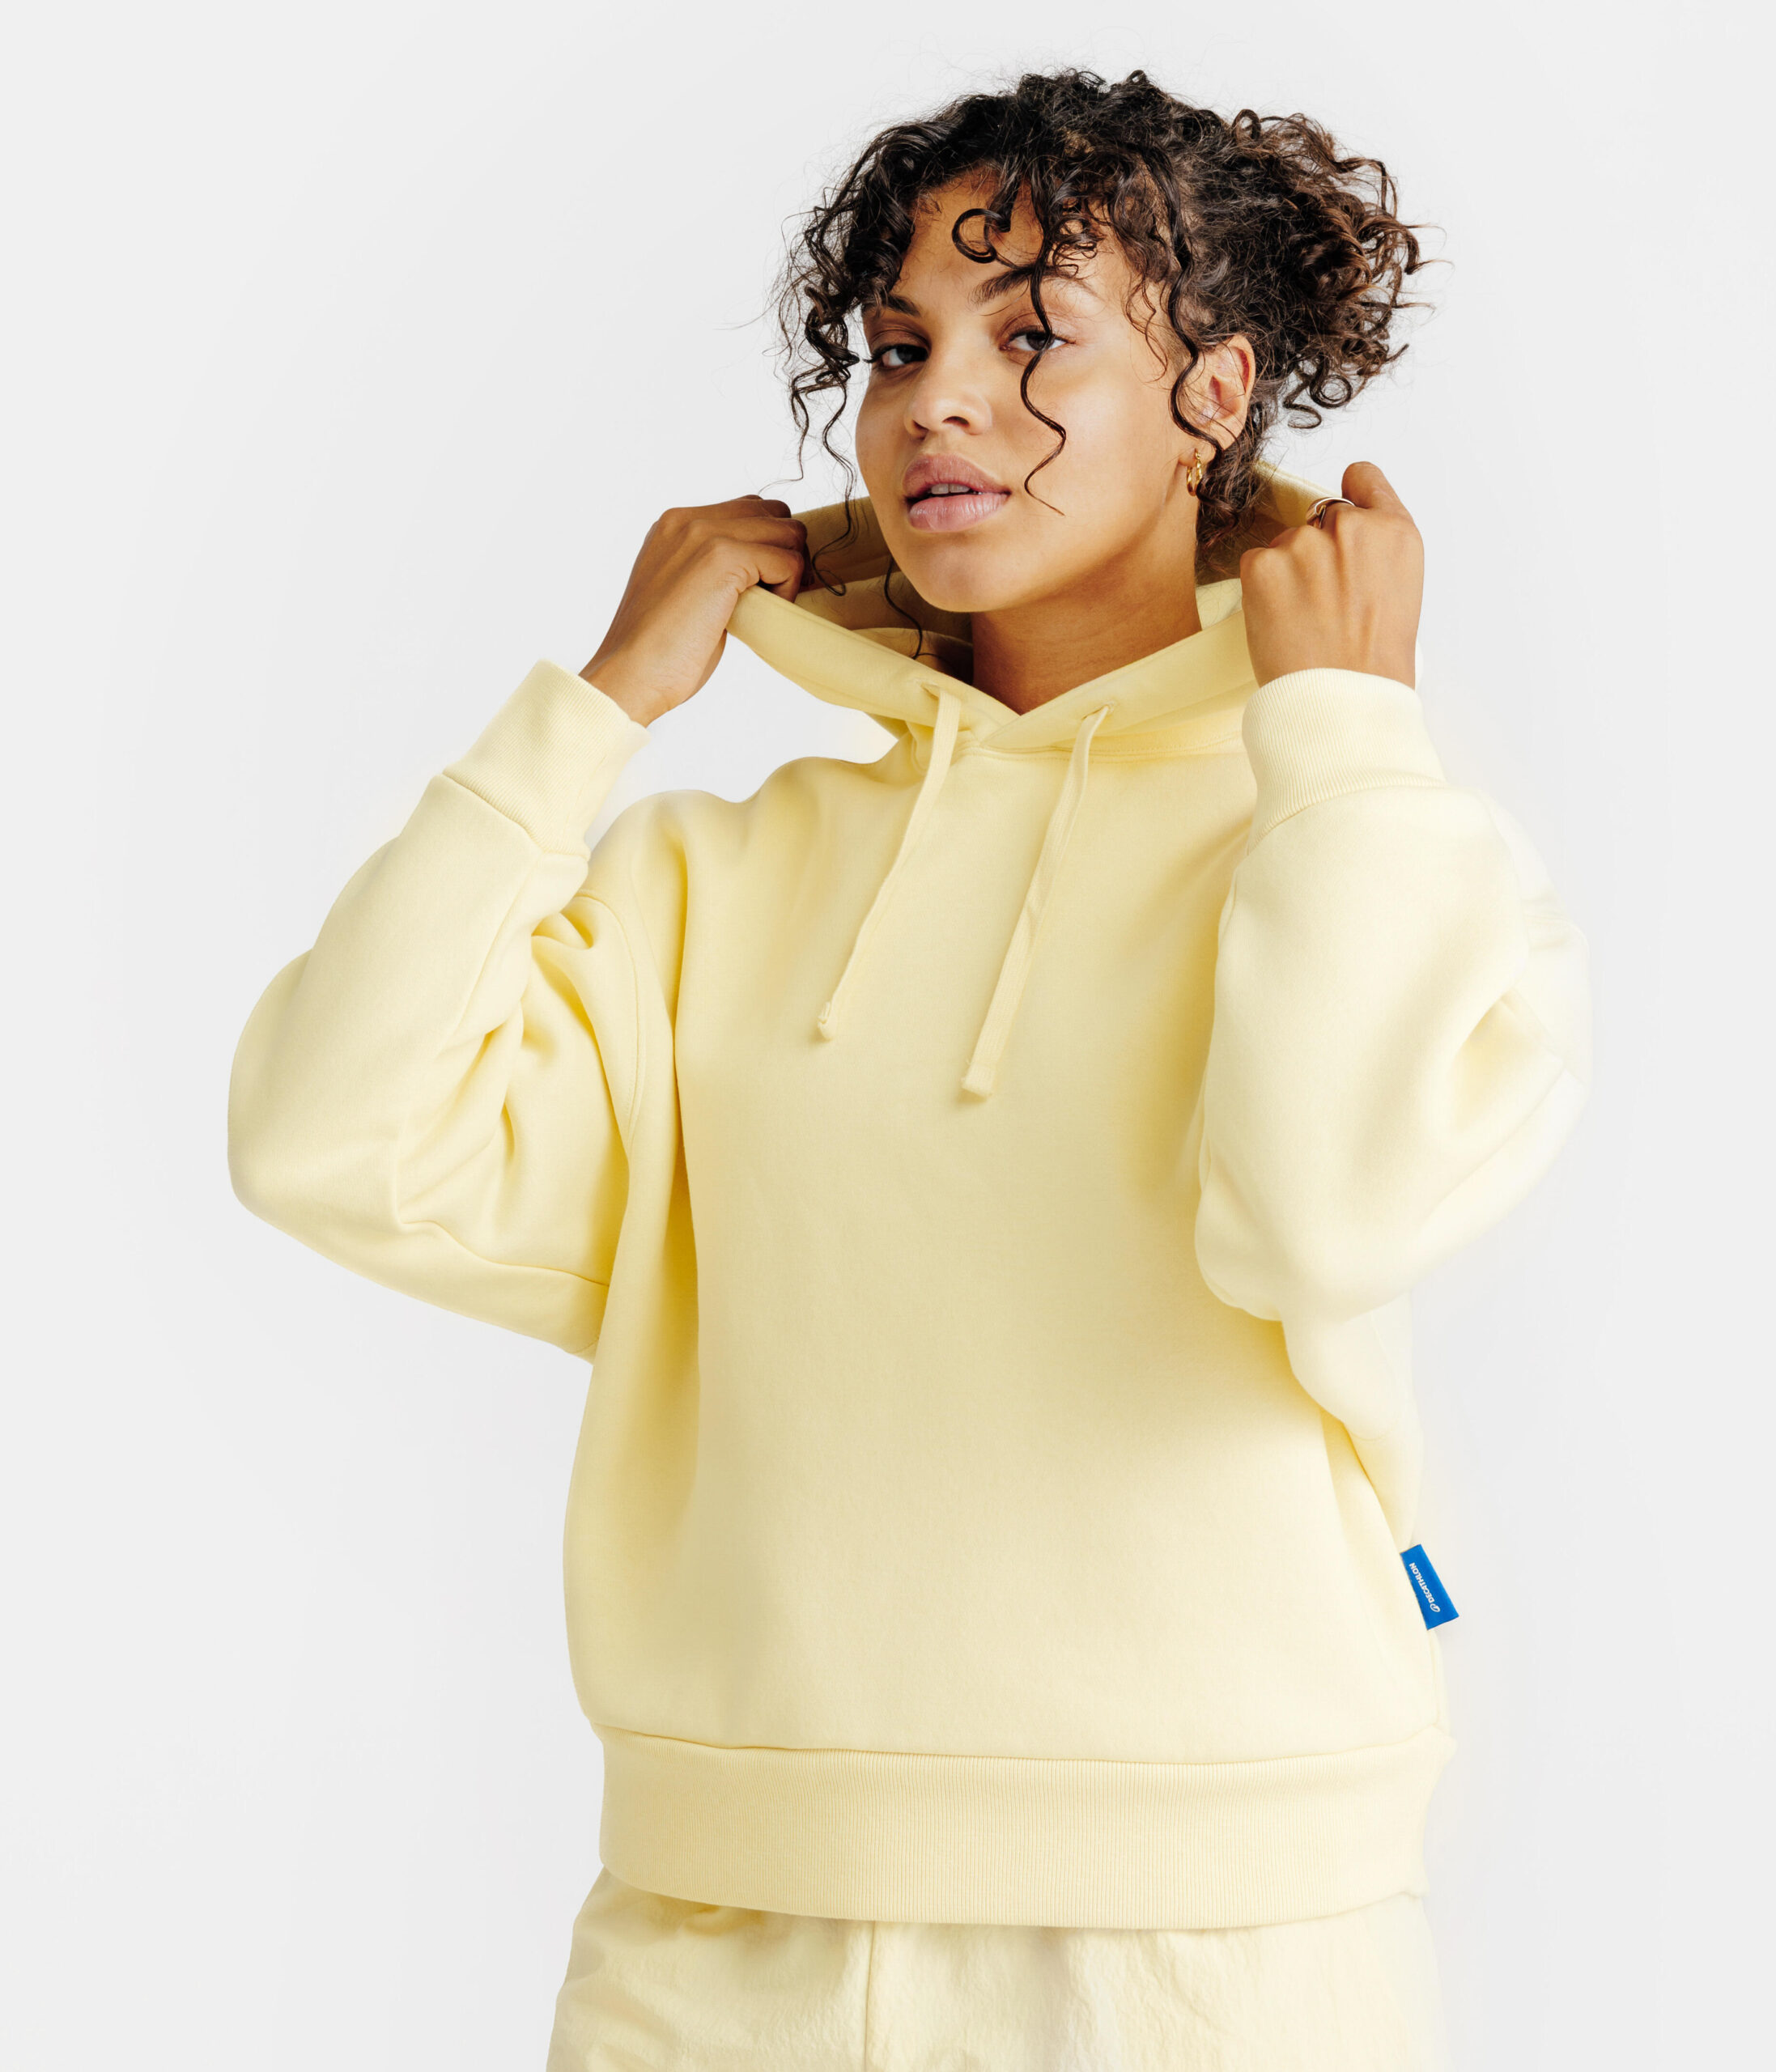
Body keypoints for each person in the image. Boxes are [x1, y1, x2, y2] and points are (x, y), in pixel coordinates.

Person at [227, 65, 1591, 2072]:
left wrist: (1342, 740)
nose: (936, 400)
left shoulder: (1367, 834)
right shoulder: (716, 877)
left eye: (1030, 336)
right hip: (720, 1937)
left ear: (1213, 392)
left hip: (1211, 1942)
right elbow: (324, 1138)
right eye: (895, 348)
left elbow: (1317, 1216)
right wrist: (599, 706)